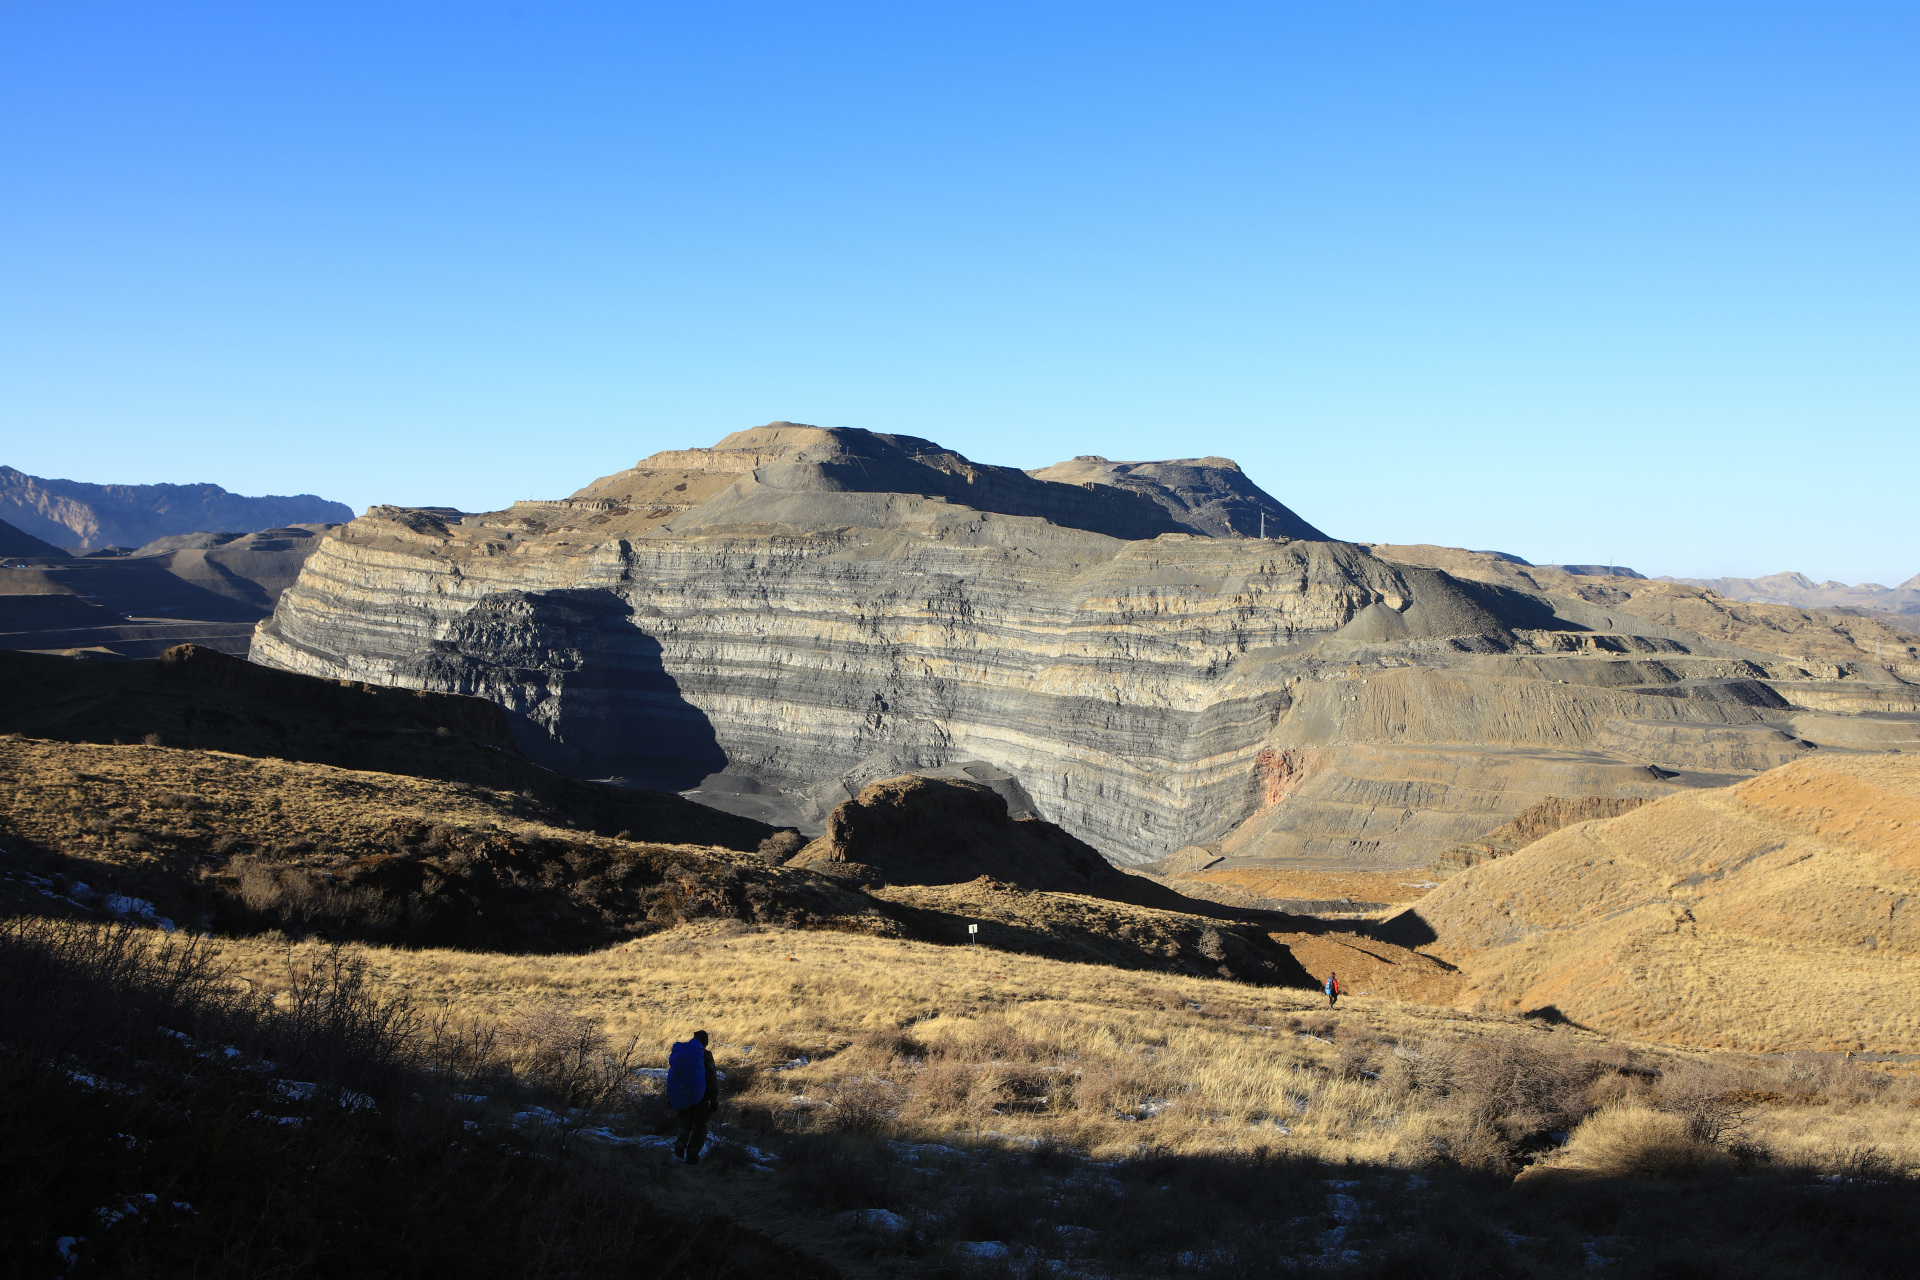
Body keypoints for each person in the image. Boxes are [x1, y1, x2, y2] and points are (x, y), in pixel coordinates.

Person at [668, 1029, 719, 1164]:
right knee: (700, 1126)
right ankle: (692, 1154)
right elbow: (711, 1078)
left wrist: (671, 1096)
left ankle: (680, 1145)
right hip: (700, 1097)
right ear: (705, 1042)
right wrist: (714, 1099)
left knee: (685, 1122)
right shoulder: (705, 1055)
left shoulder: (682, 1055)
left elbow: (673, 1076)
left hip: (682, 1094)